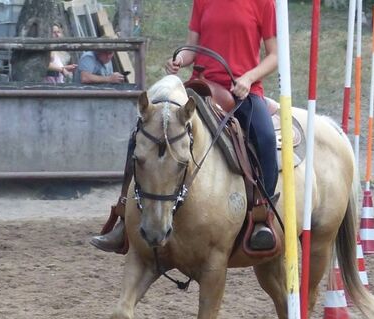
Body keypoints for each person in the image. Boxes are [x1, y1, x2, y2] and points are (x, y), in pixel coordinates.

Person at [91, 0, 279, 253]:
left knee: (266, 139)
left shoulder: (263, 3)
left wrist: (248, 77)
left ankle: (261, 216)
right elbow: (193, 48)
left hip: (242, 91)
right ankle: (124, 216)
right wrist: (179, 59)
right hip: (200, 87)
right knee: (142, 133)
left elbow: (275, 56)